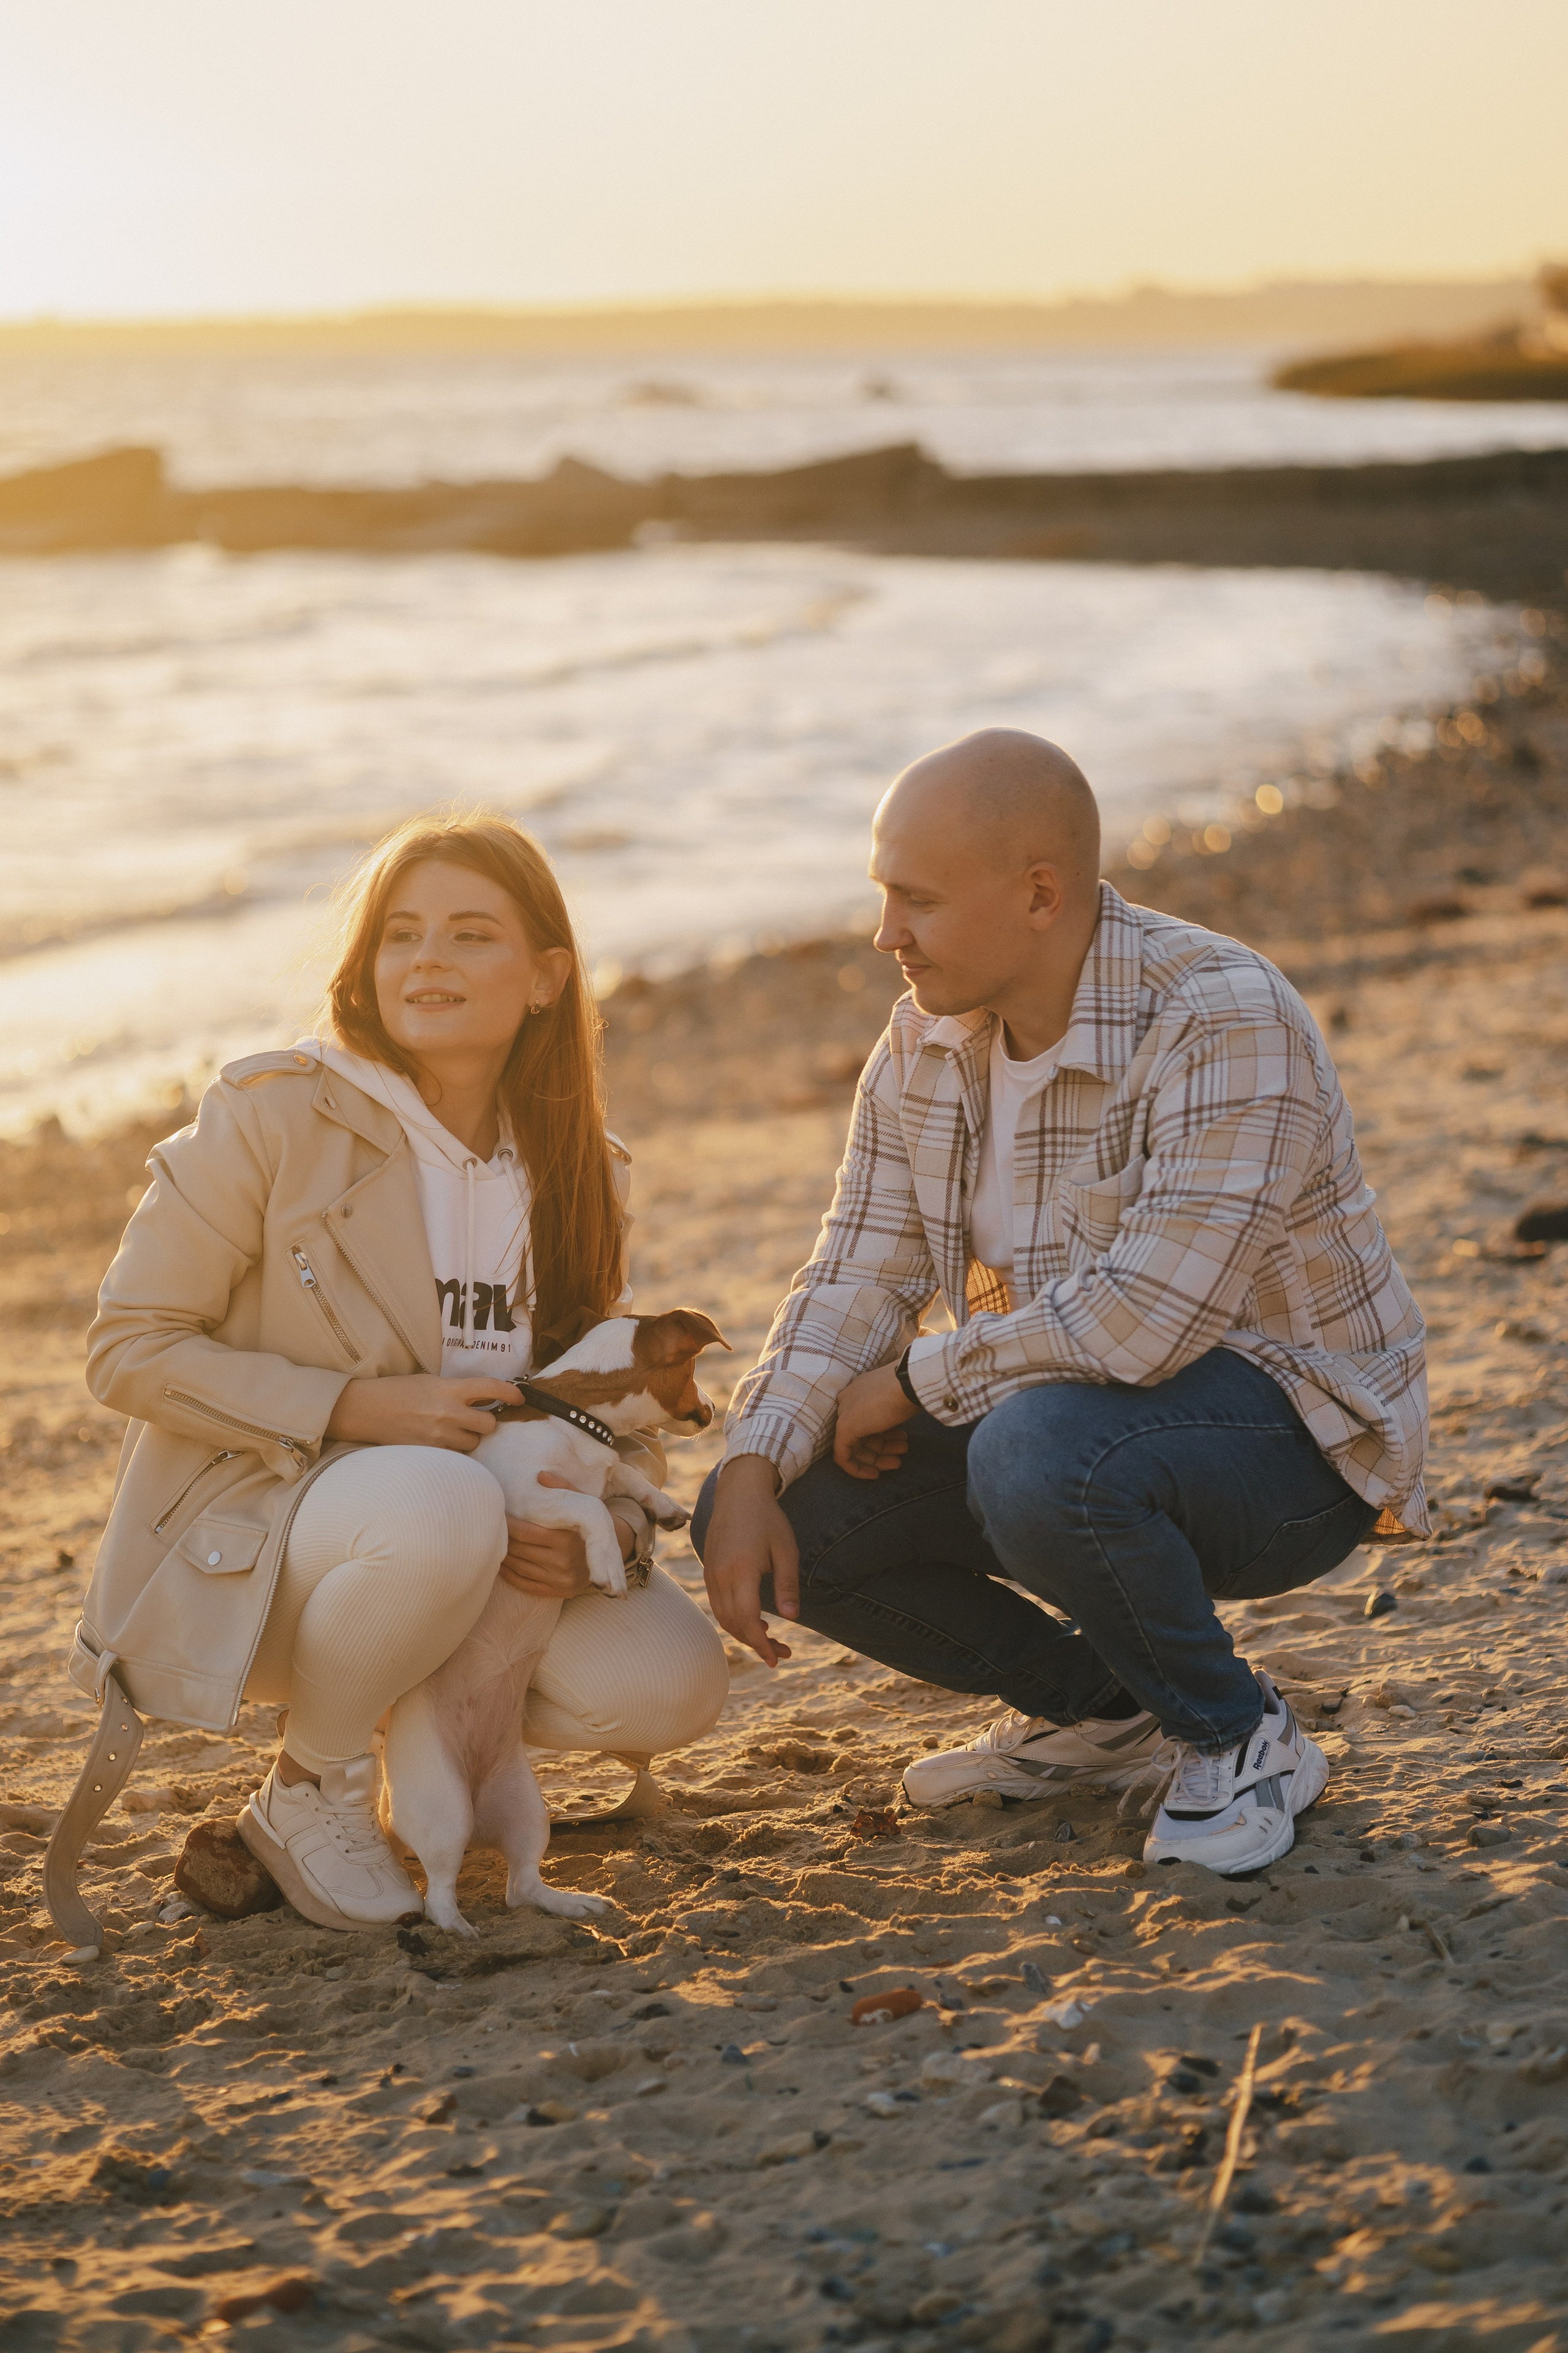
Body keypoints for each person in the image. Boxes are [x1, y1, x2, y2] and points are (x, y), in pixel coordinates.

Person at [695, 730, 1426, 1878]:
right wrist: (750, 1461)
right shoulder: (923, 1043)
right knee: (787, 1509)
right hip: (1064, 1420)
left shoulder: (1221, 1014)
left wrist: (915, 1380)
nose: (886, 933)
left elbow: (1146, 1321)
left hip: (1295, 1451)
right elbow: (855, 1273)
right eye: (884, 894)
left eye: (917, 900)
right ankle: (1106, 1711)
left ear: (1040, 894)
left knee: (1033, 1450)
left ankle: (1239, 1734)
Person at [74, 813, 727, 1932]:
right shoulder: (272, 1113)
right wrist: (355, 1406)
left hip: (483, 1551)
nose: (427, 960)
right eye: (401, 934)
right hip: (278, 1538)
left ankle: (407, 1722)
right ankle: (308, 1783)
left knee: (670, 1681)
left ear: (545, 976)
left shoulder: (583, 1169)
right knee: (443, 1502)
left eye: (470, 934)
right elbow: (127, 1345)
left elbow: (603, 1398)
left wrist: (608, 1529)